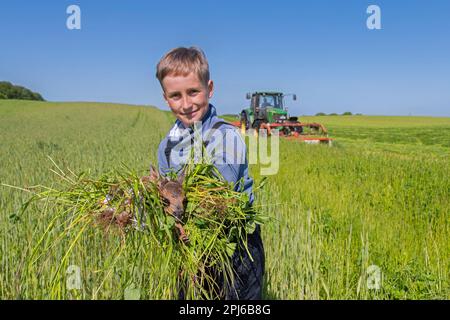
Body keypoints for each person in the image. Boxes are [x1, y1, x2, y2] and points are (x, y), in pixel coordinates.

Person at [155, 46, 265, 300]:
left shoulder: (226, 136)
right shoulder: (167, 146)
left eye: (193, 92)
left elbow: (217, 193)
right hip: (187, 244)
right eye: (175, 96)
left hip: (235, 244)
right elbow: (165, 195)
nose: (186, 104)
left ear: (210, 88)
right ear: (165, 98)